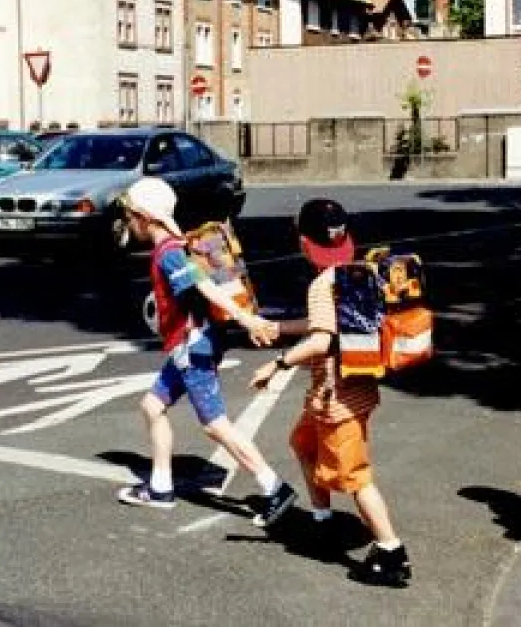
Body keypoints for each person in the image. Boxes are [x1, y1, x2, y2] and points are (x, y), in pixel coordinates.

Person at [115, 177, 298, 528]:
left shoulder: (168, 252)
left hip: (193, 347)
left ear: (143, 216)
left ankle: (274, 487)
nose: (128, 221)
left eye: (129, 214)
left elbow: (201, 286)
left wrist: (248, 320)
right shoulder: (172, 244)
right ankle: (161, 488)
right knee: (152, 406)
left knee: (215, 425)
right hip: (191, 344)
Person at [250, 198, 411, 587]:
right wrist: (279, 328)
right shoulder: (356, 273)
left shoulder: (323, 284)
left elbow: (322, 340)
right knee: (304, 443)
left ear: (304, 242)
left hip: (336, 398)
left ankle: (391, 550)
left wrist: (278, 363)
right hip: (354, 388)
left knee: (354, 475)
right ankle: (322, 520)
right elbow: (326, 325)